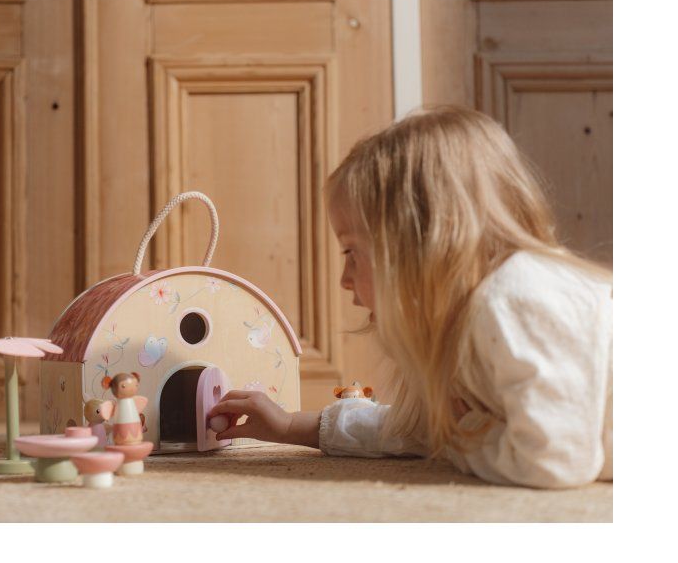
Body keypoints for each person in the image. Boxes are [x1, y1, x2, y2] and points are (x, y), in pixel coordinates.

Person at [208, 106, 612, 488]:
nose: (344, 280)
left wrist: (463, 437)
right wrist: (291, 426)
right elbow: (417, 432)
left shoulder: (517, 299)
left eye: (351, 253)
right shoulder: (477, 315)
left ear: (420, 247)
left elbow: (552, 460)